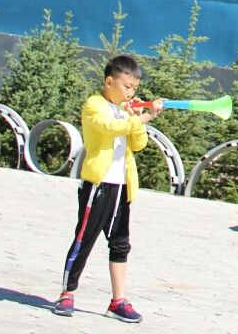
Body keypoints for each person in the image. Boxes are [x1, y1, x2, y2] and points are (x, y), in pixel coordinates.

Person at [53, 55, 163, 322]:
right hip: (97, 186)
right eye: (127, 87)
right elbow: (109, 128)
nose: (131, 93)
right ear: (109, 81)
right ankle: (67, 294)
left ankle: (118, 301)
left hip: (122, 187)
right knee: (84, 240)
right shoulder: (94, 105)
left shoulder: (127, 111)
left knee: (120, 244)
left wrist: (138, 118)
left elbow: (138, 144)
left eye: (135, 88)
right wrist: (143, 118)